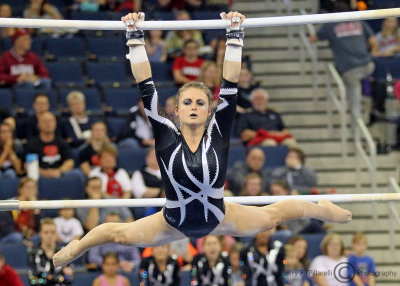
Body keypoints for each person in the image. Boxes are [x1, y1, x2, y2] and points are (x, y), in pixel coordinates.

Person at [53, 11, 352, 268]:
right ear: (177, 110)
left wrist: (235, 34)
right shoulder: (164, 132)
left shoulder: (219, 130)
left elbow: (230, 83)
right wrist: (134, 36)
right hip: (171, 221)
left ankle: (321, 208)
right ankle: (77, 248)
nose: (193, 107)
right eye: (187, 103)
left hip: (220, 217)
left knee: (272, 216)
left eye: (200, 103)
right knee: (116, 233)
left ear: (210, 109)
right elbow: (146, 84)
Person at [309, 1, 376, 134]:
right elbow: (373, 40)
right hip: (367, 64)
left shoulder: (330, 25)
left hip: (350, 70)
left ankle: (356, 132)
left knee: (355, 105)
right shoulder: (357, 21)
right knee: (372, 77)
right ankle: (369, 101)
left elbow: (313, 38)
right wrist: (373, 54)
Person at [24, 111, 75, 178]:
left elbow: (70, 161)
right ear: (39, 124)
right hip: (40, 176)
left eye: (51, 121)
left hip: (59, 175)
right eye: (45, 121)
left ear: (55, 124)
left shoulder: (62, 142)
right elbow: (27, 165)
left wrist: (59, 171)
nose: (48, 124)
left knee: (76, 174)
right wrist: (44, 173)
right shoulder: (32, 144)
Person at [28, 218, 74, 285]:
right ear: (40, 233)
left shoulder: (64, 252)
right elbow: (32, 280)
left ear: (56, 233)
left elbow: (69, 279)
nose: (49, 235)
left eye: (52, 232)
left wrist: (44, 276)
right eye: (46, 232)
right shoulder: (33, 253)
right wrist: (58, 276)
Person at [11, 178, 42, 242]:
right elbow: (6, 228)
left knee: (40, 237)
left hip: (32, 235)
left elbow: (40, 228)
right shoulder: (11, 204)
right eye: (27, 187)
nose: (30, 190)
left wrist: (35, 206)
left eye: (33, 188)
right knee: (17, 237)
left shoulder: (40, 205)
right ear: (20, 189)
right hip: (15, 234)